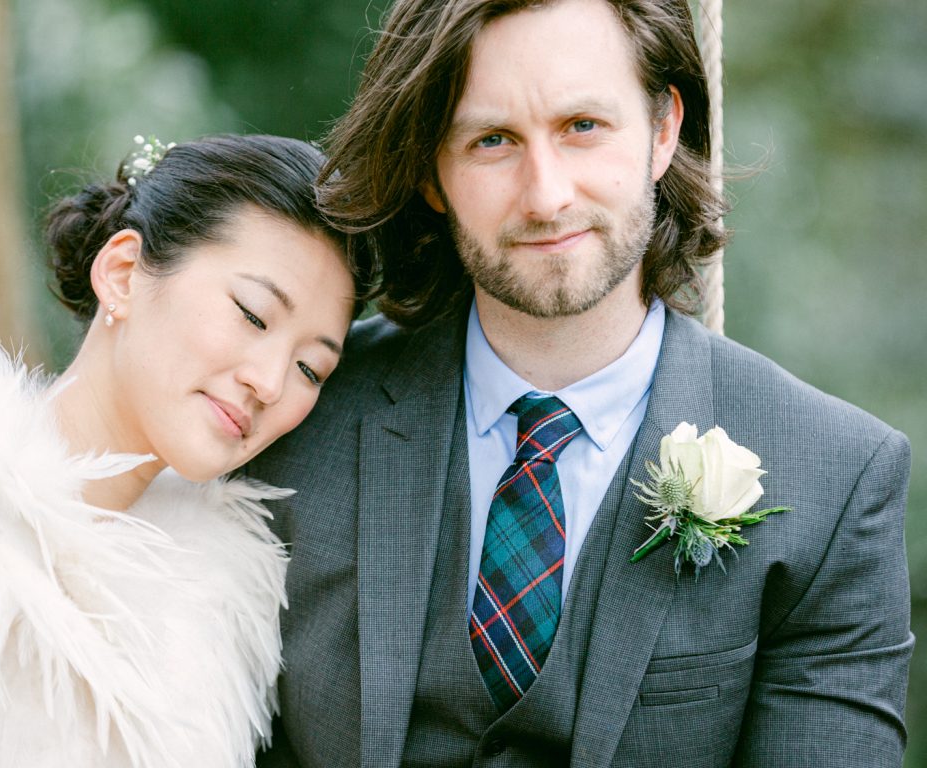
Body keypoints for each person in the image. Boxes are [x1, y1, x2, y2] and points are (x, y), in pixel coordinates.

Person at [248, 1, 914, 766]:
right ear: (432, 172)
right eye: (492, 140)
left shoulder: (837, 479)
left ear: (663, 130)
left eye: (582, 127)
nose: (547, 196)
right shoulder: (296, 418)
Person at [0, 134, 368, 767]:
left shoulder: (217, 629)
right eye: (254, 315)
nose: (270, 383)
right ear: (122, 273)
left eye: (310, 368)